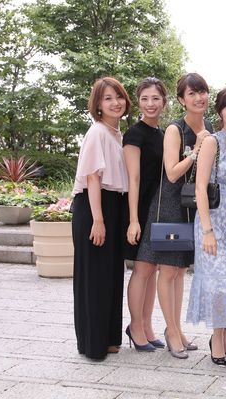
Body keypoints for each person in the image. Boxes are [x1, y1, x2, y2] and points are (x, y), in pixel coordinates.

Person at [137, 72, 213, 359]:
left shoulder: (210, 126)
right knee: (168, 270)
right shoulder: (174, 129)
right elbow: (171, 173)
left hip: (193, 207)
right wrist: (196, 150)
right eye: (192, 93)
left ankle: (177, 328)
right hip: (170, 206)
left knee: (181, 271)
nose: (199, 98)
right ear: (181, 100)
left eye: (202, 92)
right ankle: (170, 330)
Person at [186, 87, 226, 366]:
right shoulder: (213, 141)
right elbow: (200, 187)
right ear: (220, 112)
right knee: (219, 283)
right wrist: (207, 230)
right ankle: (217, 338)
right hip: (212, 219)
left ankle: (224, 335)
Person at [72, 76, 130, 360]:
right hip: (94, 207)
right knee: (94, 277)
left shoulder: (116, 134)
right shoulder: (97, 132)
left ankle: (109, 338)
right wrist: (98, 219)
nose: (115, 102)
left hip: (113, 205)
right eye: (107, 98)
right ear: (97, 105)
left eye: (118, 97)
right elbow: (93, 178)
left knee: (111, 274)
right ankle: (93, 344)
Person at [123, 77, 169, 352]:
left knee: (152, 270)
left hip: (157, 210)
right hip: (138, 210)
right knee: (142, 270)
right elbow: (134, 179)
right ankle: (135, 326)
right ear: (138, 102)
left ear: (164, 101)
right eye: (144, 99)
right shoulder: (134, 134)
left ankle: (148, 326)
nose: (150, 104)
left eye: (155, 98)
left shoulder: (162, 134)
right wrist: (133, 220)